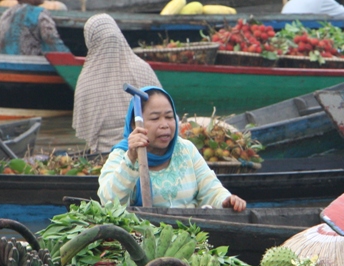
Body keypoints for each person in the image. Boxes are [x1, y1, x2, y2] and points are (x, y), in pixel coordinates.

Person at [97, 87, 247, 211]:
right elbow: (108, 201)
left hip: (190, 236)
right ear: (134, 125)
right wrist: (131, 159)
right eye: (155, 118)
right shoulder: (123, 155)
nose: (165, 125)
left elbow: (211, 189)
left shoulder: (186, 149)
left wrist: (226, 200)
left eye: (169, 117)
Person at [72, 14, 161, 153]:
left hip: (105, 154)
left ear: (90, 40)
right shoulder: (142, 68)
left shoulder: (86, 79)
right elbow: (161, 110)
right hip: (144, 148)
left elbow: (86, 131)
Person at [0, 0, 68, 55]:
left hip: (7, 67)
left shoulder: (5, 15)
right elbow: (56, 47)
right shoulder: (40, 14)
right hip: (31, 67)